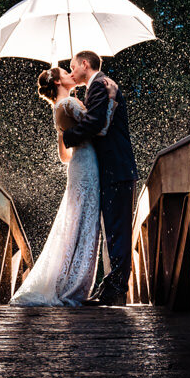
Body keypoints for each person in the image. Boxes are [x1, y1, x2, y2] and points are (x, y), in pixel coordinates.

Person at [9, 66, 104, 306]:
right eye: (65, 72)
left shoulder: (59, 108)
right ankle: (74, 287)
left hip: (79, 165)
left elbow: (63, 156)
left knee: (76, 222)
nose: (71, 74)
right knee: (85, 222)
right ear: (58, 82)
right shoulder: (69, 105)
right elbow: (99, 126)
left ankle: (69, 283)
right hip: (87, 165)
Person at [62, 50, 138, 307]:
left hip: (116, 168)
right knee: (113, 232)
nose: (71, 72)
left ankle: (116, 290)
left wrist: (67, 137)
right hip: (112, 170)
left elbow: (96, 123)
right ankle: (112, 287)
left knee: (117, 230)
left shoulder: (100, 85)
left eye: (73, 67)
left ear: (85, 64)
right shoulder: (98, 86)